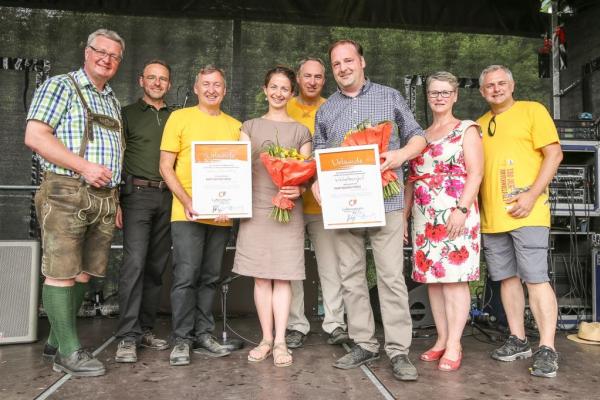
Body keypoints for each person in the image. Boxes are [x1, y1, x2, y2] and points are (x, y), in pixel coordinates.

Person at [312, 39, 427, 381]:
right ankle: (364, 342)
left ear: (361, 61)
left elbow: (419, 137)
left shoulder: (389, 96)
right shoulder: (326, 110)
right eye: (337, 64)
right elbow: (319, 158)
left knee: (391, 277)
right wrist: (317, 183)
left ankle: (398, 350)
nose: (343, 68)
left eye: (349, 60)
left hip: (388, 202)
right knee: (350, 276)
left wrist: (400, 156)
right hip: (345, 207)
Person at [24, 29, 125, 377]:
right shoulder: (60, 86)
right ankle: (68, 352)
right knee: (61, 271)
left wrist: (116, 197)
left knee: (85, 272)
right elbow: (35, 136)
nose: (106, 59)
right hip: (66, 191)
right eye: (100, 51)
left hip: (103, 197)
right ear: (87, 52)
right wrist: (83, 167)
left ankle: (55, 339)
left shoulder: (110, 98)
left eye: (114, 56)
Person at [477, 65, 563, 378]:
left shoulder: (532, 111)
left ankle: (547, 347)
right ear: (482, 91)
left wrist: (531, 195)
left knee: (536, 277)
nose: (496, 89)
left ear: (512, 86)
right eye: (489, 85)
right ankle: (518, 339)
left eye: (501, 83)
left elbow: (554, 154)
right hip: (493, 218)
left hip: (529, 212)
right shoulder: (479, 125)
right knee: (507, 279)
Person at [159, 65, 241, 366]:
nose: (211, 89)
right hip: (187, 213)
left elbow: (239, 172)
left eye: (217, 84)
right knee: (186, 275)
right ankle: (182, 340)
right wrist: (188, 201)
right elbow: (165, 167)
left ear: (225, 90)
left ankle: (204, 335)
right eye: (206, 84)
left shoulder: (235, 126)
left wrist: (234, 203)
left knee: (210, 277)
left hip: (221, 216)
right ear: (196, 88)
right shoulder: (179, 118)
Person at [232, 66, 312, 367]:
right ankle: (266, 339)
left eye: (285, 89)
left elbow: (305, 175)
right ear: (265, 90)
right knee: (262, 278)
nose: (279, 93)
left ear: (292, 93)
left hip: (288, 211)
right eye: (273, 87)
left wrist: (299, 189)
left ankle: (281, 342)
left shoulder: (302, 131)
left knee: (284, 277)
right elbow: (234, 169)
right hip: (256, 209)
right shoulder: (248, 127)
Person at [404, 71, 483, 372]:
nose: (439, 97)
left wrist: (461, 209)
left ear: (455, 96)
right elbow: (412, 179)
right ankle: (441, 339)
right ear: (428, 96)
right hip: (425, 217)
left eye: (445, 92)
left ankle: (455, 343)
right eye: (434, 92)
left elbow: (475, 173)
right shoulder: (421, 135)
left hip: (454, 213)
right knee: (433, 281)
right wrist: (404, 215)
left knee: (453, 280)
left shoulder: (467, 129)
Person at [285, 57, 349, 349]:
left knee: (331, 267)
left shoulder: (335, 106)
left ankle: (335, 323)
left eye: (318, 77)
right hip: (292, 203)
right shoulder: (282, 105)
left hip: (327, 204)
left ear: (325, 80)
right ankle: (296, 324)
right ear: (297, 78)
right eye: (307, 76)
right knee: (292, 268)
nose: (312, 81)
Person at [114, 60, 174, 363]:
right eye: (151, 77)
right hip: (136, 195)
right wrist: (114, 200)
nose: (157, 82)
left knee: (155, 266)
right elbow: (115, 156)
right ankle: (127, 336)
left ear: (169, 84)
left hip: (169, 197)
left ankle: (146, 330)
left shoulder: (177, 117)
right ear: (141, 80)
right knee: (134, 264)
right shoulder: (125, 114)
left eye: (162, 79)